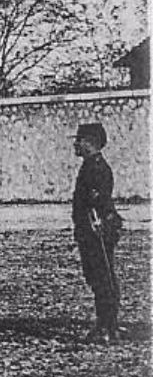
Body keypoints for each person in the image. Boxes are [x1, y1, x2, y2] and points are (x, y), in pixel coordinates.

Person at [72, 122, 123, 342]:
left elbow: (95, 202)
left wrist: (96, 226)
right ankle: (107, 324)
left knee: (102, 277)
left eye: (79, 140)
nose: (75, 144)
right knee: (98, 276)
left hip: (97, 230)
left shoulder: (96, 168)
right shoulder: (90, 165)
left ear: (89, 143)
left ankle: (107, 327)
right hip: (91, 229)